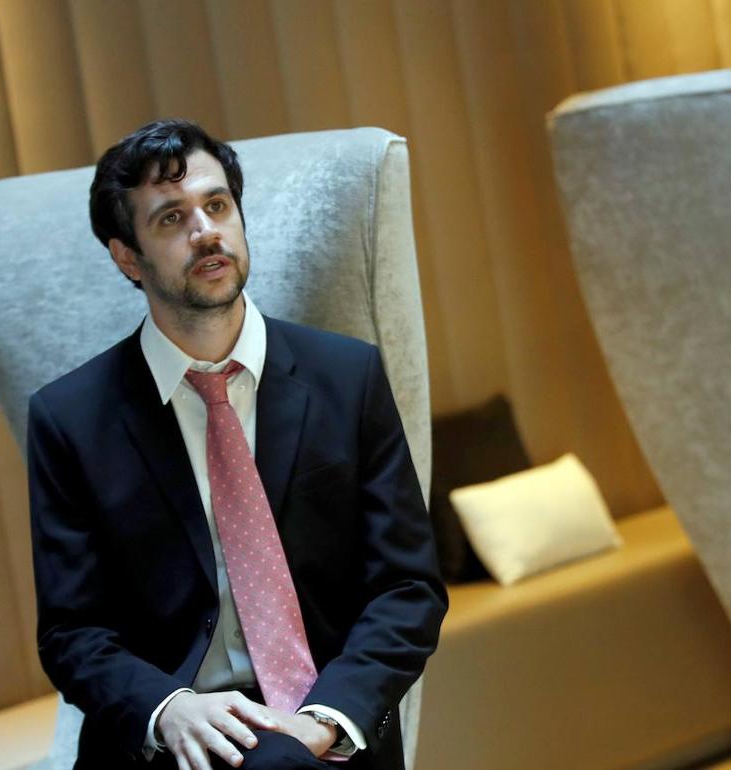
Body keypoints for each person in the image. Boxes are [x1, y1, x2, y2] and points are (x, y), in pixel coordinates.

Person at [27, 119, 447, 770]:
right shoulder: (70, 420)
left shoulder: (347, 377)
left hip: (322, 725)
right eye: (171, 218)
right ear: (127, 257)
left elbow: (407, 586)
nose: (205, 232)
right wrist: (168, 710)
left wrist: (325, 719)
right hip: (177, 739)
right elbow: (72, 633)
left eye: (217, 205)